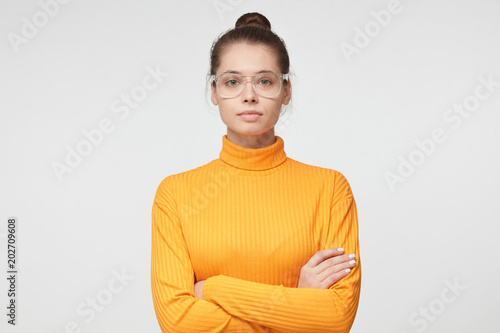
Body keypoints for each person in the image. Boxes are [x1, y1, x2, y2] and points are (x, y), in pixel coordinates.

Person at [151, 12, 361, 332]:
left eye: (265, 81)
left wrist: (214, 289)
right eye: (232, 81)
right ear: (214, 92)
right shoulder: (176, 194)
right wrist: (297, 303)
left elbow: (336, 319)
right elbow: (178, 322)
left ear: (286, 90)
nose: (249, 95)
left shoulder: (330, 189)